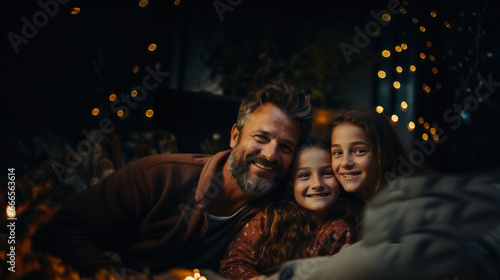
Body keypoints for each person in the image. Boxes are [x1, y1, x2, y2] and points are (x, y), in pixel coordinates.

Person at [33, 81, 314, 278]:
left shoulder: (281, 213)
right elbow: (59, 227)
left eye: (285, 147)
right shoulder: (158, 176)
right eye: (261, 138)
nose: (271, 155)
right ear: (235, 136)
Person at [219, 137, 358, 280]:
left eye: (326, 173)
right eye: (304, 175)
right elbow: (235, 262)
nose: (317, 184)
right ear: (291, 186)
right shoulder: (268, 219)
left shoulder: (340, 231)